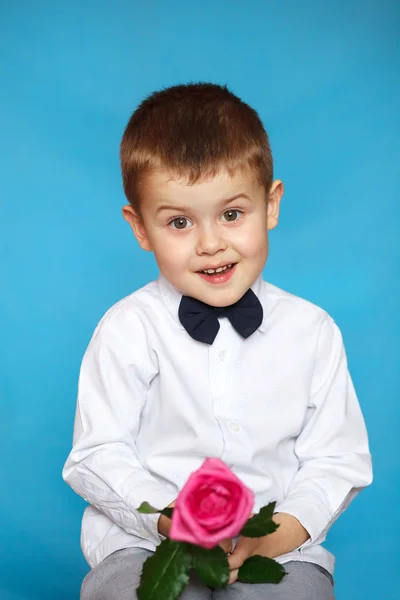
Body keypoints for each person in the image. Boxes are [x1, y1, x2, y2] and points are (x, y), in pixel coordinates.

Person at [62, 82, 372, 600]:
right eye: (179, 222)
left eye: (232, 214)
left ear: (270, 205)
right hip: (146, 543)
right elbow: (96, 453)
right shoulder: (127, 328)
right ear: (140, 228)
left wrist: (278, 534)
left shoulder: (312, 332)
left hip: (280, 549)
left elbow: (336, 460)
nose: (210, 244)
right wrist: (169, 520)